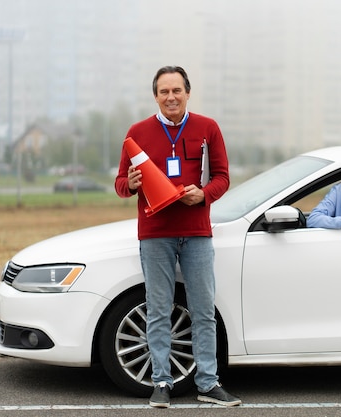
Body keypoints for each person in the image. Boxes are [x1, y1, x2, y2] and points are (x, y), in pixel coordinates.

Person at [114, 66, 241, 408]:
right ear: (155, 95)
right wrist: (132, 184)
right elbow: (121, 185)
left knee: (202, 310)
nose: (170, 97)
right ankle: (161, 382)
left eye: (176, 91)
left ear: (188, 92)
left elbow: (223, 177)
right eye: (163, 91)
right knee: (158, 309)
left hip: (197, 233)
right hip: (155, 234)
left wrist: (204, 194)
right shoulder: (137, 132)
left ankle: (208, 383)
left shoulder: (207, 128)